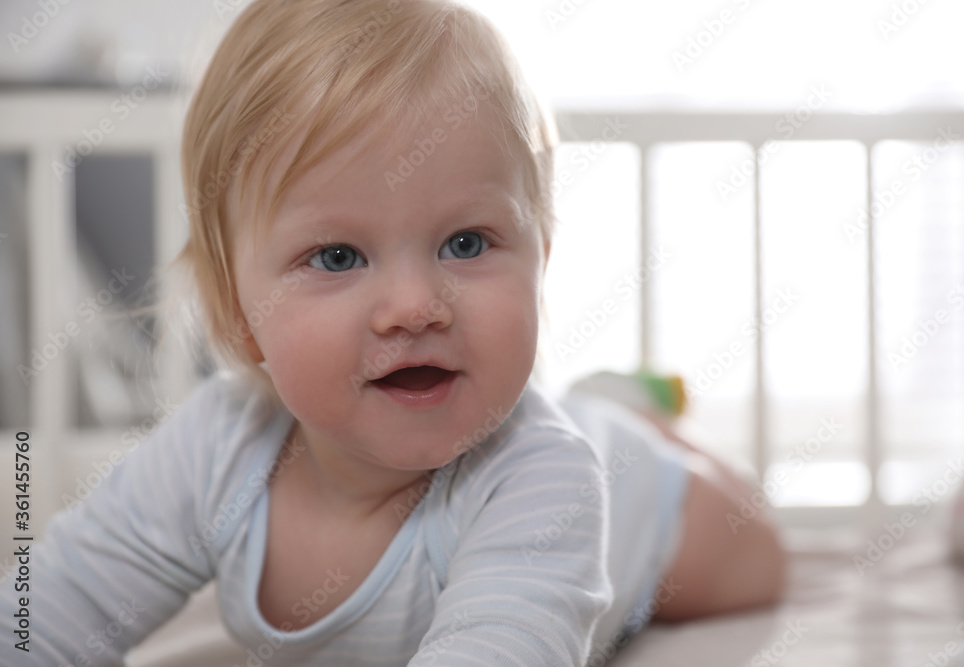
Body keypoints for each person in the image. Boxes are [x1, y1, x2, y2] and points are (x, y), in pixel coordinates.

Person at [0, 0, 785, 664]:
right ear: (237, 312)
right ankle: (611, 399)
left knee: (755, 558)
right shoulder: (215, 451)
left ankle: (637, 418)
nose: (414, 305)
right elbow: (53, 606)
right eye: (337, 256)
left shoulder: (541, 478)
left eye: (467, 243)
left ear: (539, 260)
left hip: (641, 495)